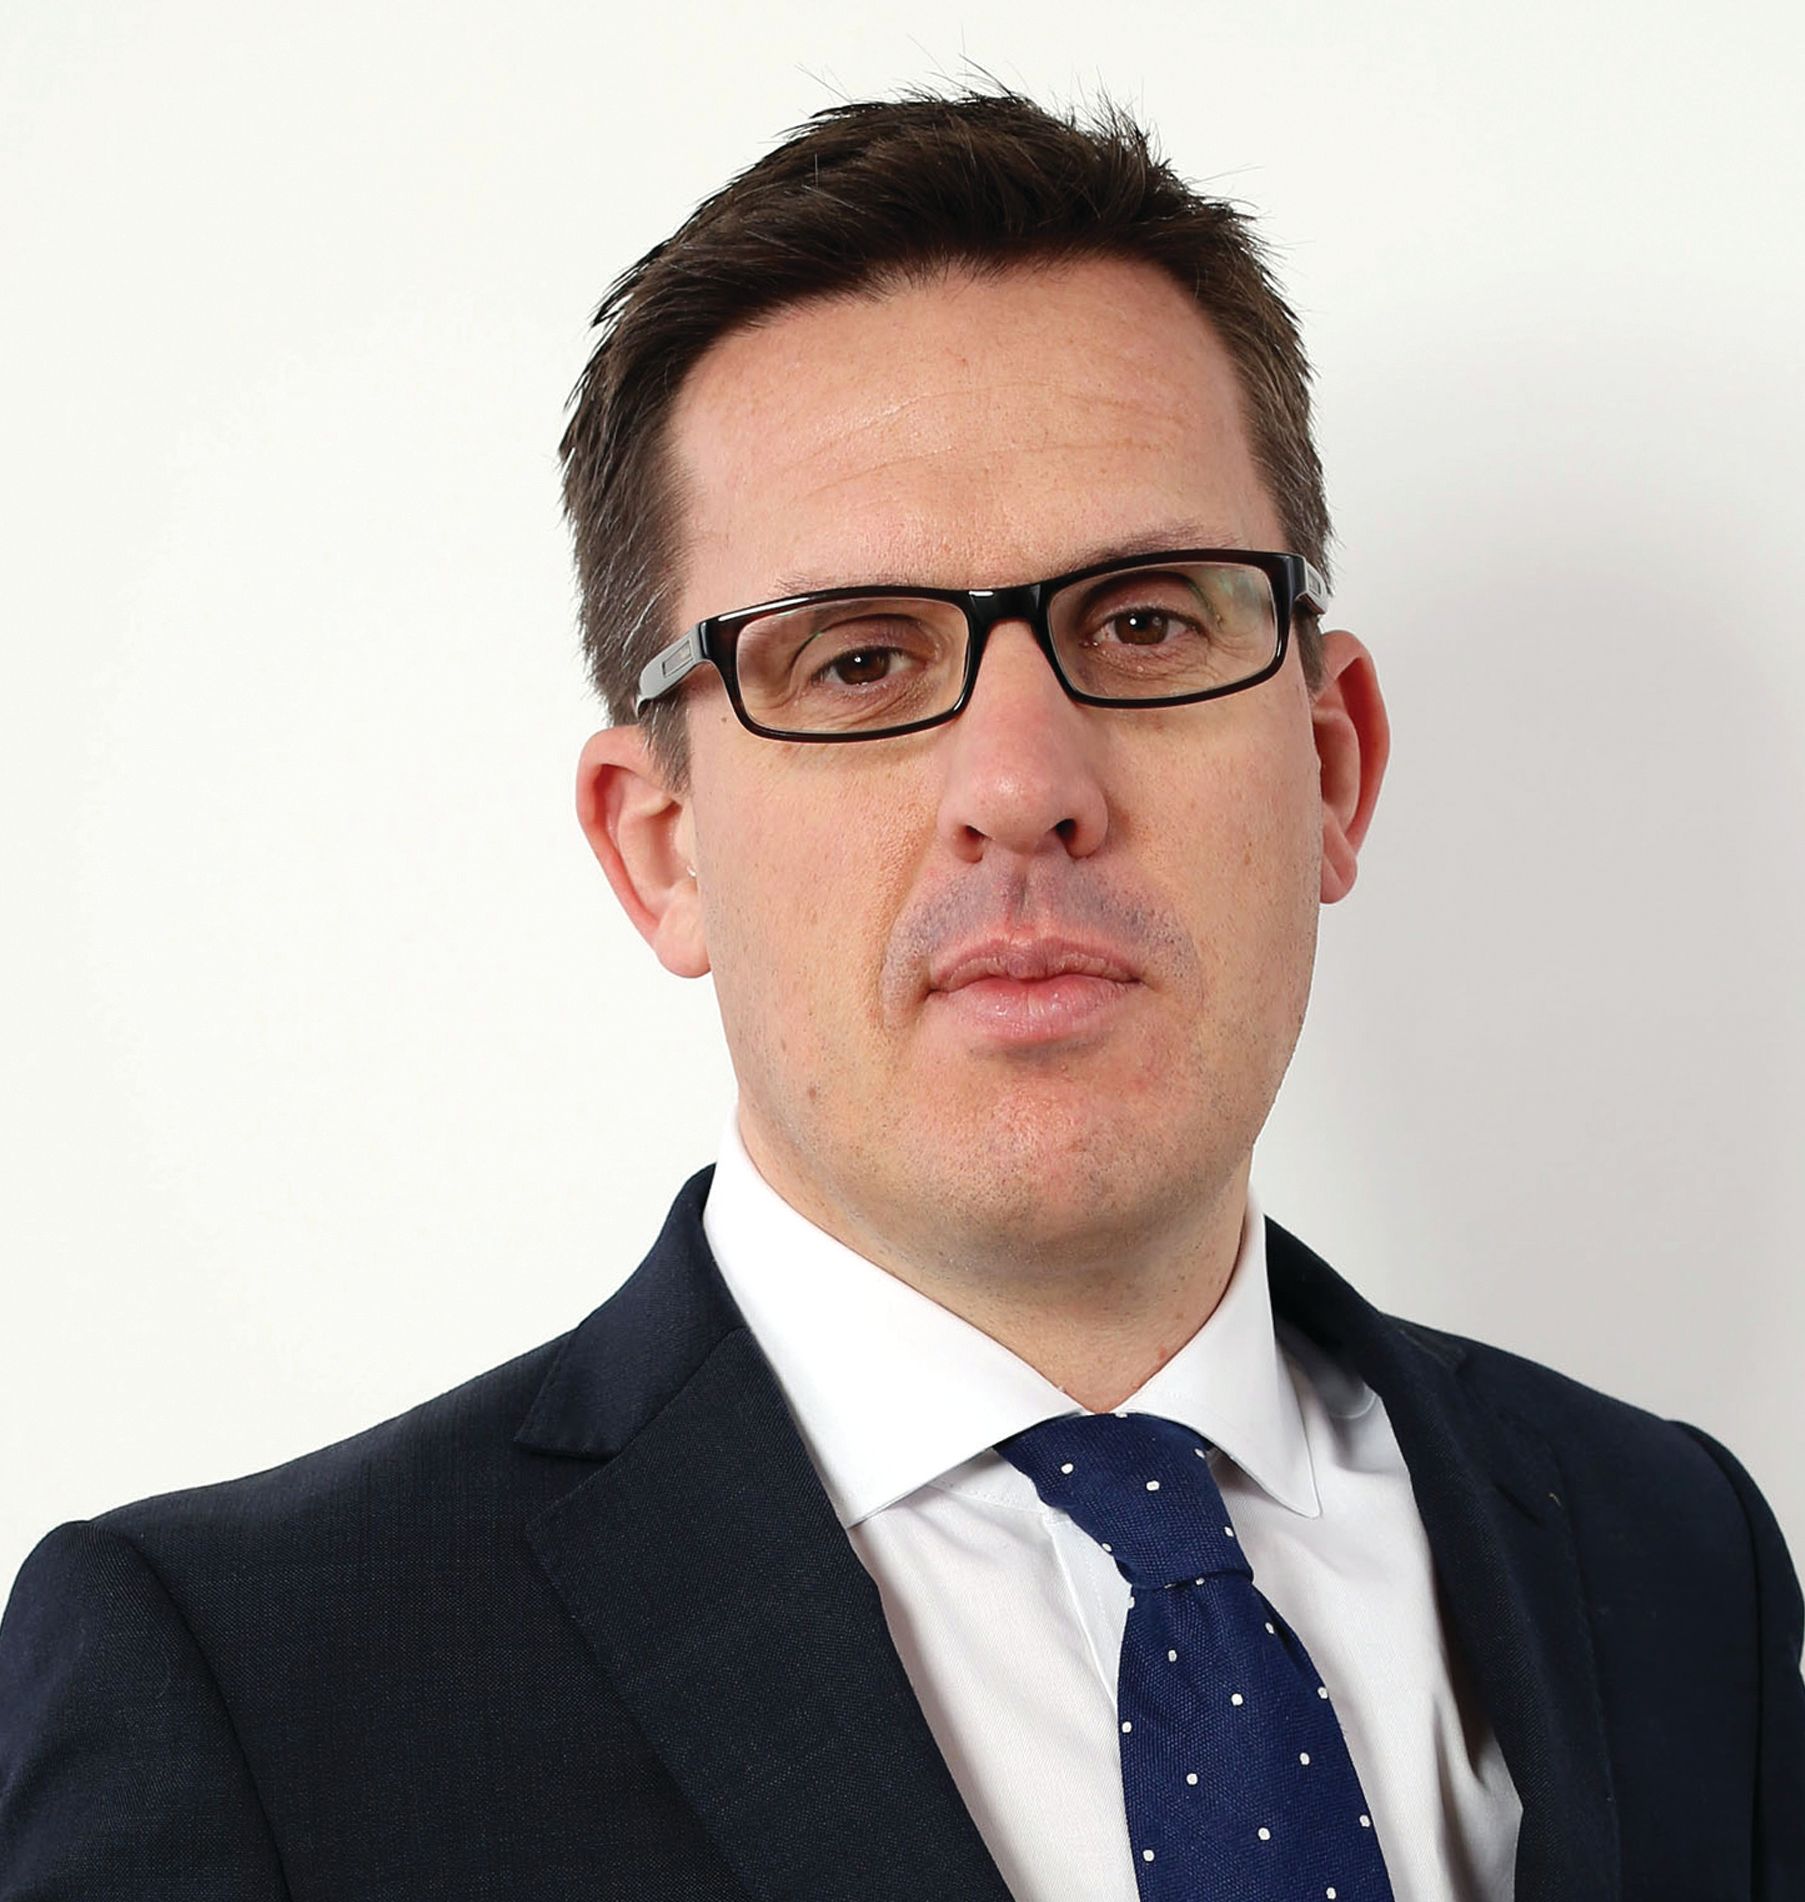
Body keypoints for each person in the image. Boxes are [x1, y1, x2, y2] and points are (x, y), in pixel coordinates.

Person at [1, 82, 1799, 1902]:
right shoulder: (249, 1692)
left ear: (1330, 763)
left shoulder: (1670, 1555)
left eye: (1144, 620)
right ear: (659, 847)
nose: (1022, 781)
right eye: (857, 659)